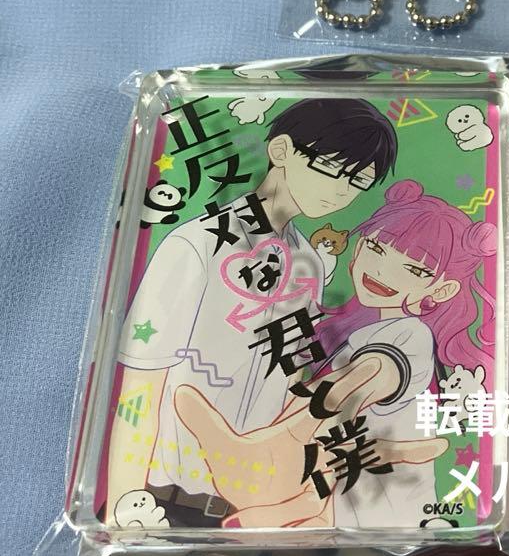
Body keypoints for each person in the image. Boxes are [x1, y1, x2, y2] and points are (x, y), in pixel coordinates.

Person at [106, 98, 398, 528]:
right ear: (281, 150)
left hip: (254, 509)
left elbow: (290, 387)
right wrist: (123, 506)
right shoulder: (196, 244)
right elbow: (139, 387)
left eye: (357, 181)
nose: (342, 190)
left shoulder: (309, 265)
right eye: (331, 168)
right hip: (163, 502)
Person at [172, 180, 499, 530]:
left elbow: (373, 374)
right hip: (335, 505)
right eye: (376, 248)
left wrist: (296, 434)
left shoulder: (413, 335)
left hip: (384, 514)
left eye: (415, 270)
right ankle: (270, 475)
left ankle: (266, 455)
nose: (381, 270)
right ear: (358, 248)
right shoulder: (352, 334)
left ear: (443, 289)